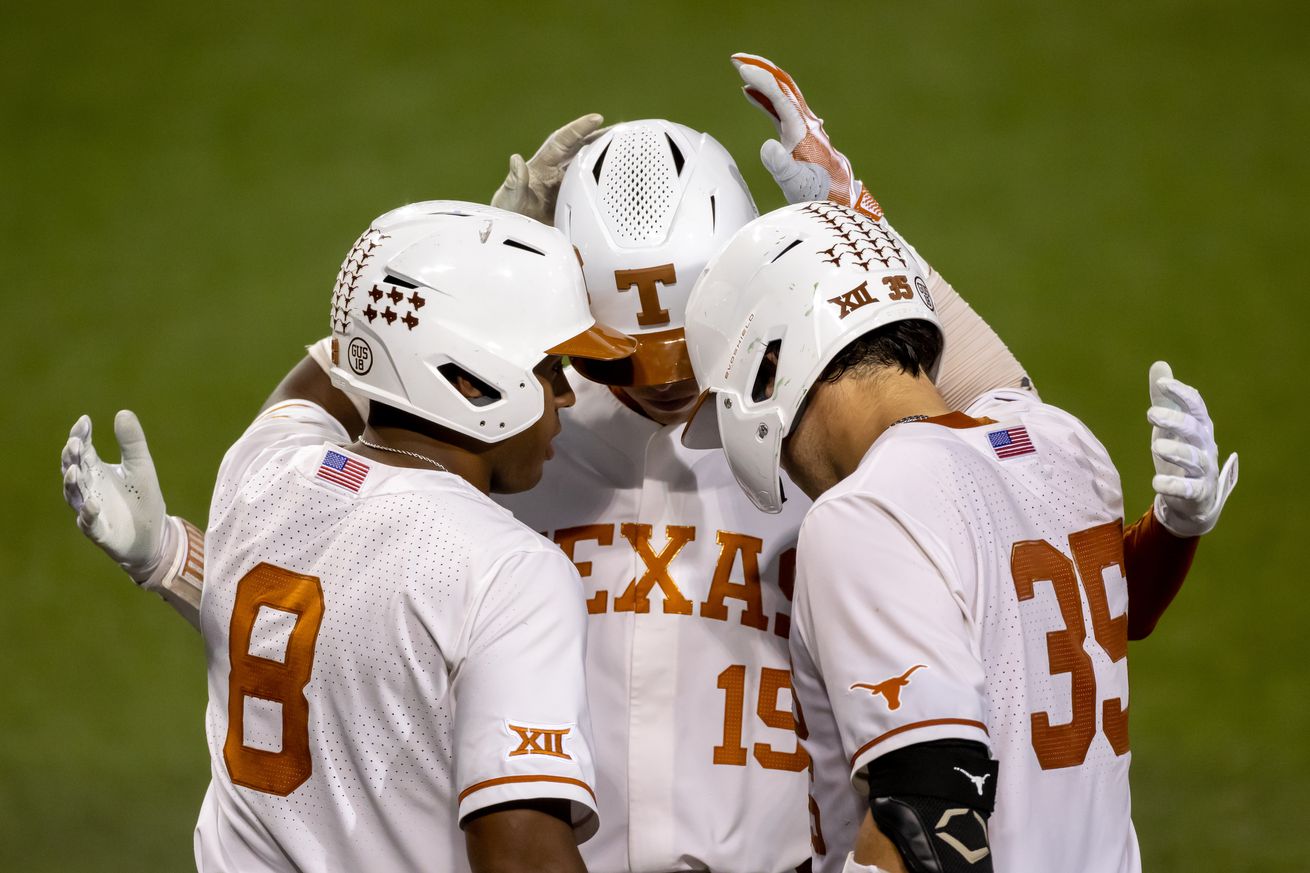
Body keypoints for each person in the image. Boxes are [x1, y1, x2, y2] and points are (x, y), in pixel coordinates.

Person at [60, 57, 1235, 873]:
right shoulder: (508, 454)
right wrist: (456, 274)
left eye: (689, 341)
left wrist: (859, 216)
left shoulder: (813, 456)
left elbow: (992, 496)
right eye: (622, 356)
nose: (667, 383)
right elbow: (358, 631)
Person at [70, 201, 636, 873]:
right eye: (549, 372)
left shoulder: (262, 469)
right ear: (474, 382)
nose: (567, 397)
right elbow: (522, 855)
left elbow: (324, 378)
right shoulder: (506, 569)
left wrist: (402, 303)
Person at [681, 199, 1235, 873]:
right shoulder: (1059, 444)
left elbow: (930, 826)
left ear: (767, 373)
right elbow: (1122, 612)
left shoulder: (863, 514)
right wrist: (1173, 532)